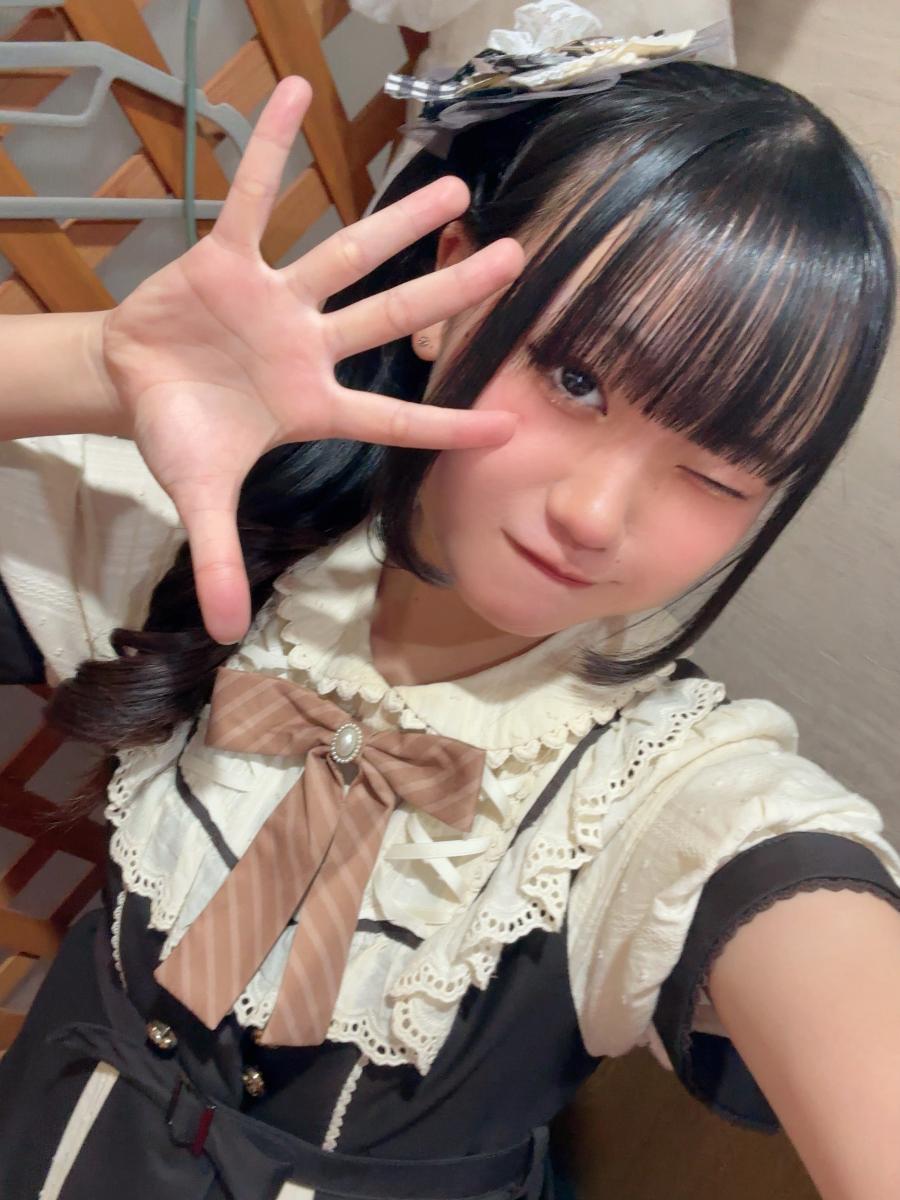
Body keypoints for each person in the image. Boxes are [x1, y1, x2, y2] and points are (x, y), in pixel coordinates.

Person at [1, 42, 899, 1200]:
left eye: (718, 474)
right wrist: (93, 361)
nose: (594, 514)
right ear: (452, 290)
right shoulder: (217, 538)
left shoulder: (667, 803)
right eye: (576, 378)